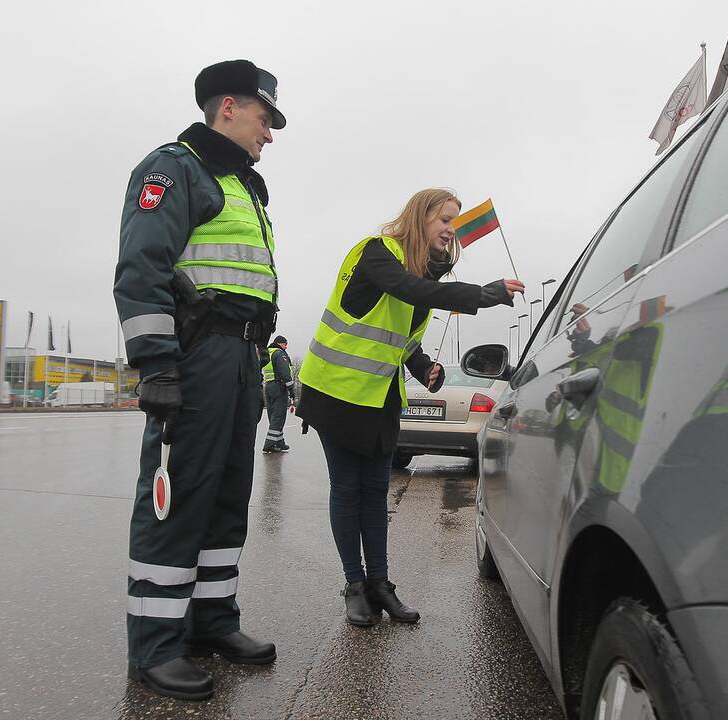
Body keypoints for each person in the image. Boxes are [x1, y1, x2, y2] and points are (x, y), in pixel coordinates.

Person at [114, 59, 286, 701]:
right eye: (265, 119)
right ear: (230, 107)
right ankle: (156, 648)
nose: (269, 134)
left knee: (226, 497)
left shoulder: (241, 184)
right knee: (178, 495)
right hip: (198, 355)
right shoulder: (175, 167)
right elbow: (142, 268)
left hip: (242, 359)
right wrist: (156, 363)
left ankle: (212, 622)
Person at [296, 188, 524, 626]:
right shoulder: (377, 253)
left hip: (379, 395)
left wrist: (423, 367)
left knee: (376, 493)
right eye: (444, 220)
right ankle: (354, 586)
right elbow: (405, 288)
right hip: (337, 392)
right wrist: (483, 293)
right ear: (420, 218)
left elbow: (401, 336)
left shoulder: (424, 277)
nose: (450, 230)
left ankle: (380, 584)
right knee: (348, 489)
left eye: (455, 222)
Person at [262, 334, 298, 452]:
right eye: (285, 344)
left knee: (273, 416)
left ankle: (279, 442)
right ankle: (269, 443)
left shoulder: (267, 352)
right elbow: (285, 372)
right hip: (279, 387)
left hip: (268, 387)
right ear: (279, 343)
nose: (286, 347)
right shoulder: (279, 353)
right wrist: (291, 389)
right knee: (278, 416)